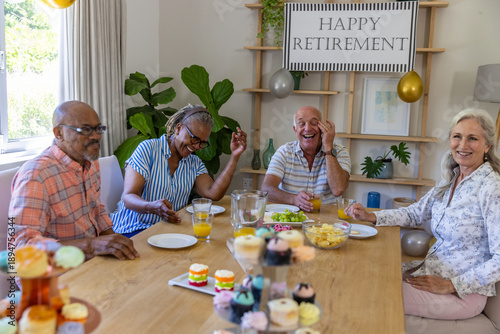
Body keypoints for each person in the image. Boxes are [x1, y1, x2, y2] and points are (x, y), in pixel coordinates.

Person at [346, 108, 500, 320]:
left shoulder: (491, 187)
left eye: (472, 138)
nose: (462, 145)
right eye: (457, 137)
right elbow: (416, 213)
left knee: (368, 294)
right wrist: (372, 217)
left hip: (462, 294)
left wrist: (452, 285)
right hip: (430, 271)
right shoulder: (452, 177)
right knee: (360, 272)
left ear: (487, 145)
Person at [10, 101, 139, 260]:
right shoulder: (36, 175)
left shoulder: (90, 162)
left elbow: (96, 210)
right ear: (59, 133)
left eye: (98, 129)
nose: (95, 136)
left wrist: (118, 244)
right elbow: (22, 247)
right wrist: (91, 245)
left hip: (91, 262)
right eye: (85, 130)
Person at [111, 104, 247, 237]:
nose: (196, 146)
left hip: (165, 232)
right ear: (178, 128)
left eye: (202, 143)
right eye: (194, 139)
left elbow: (213, 193)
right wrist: (152, 206)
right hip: (132, 230)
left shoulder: (194, 163)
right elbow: (128, 197)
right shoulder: (148, 149)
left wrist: (235, 156)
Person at [261, 106, 350, 212]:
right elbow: (266, 189)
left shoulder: (339, 152)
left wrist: (328, 148)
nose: (307, 128)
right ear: (295, 130)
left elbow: (338, 190)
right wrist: (294, 199)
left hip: (327, 221)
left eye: (313, 123)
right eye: (302, 124)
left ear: (322, 128)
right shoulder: (284, 152)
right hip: (291, 219)